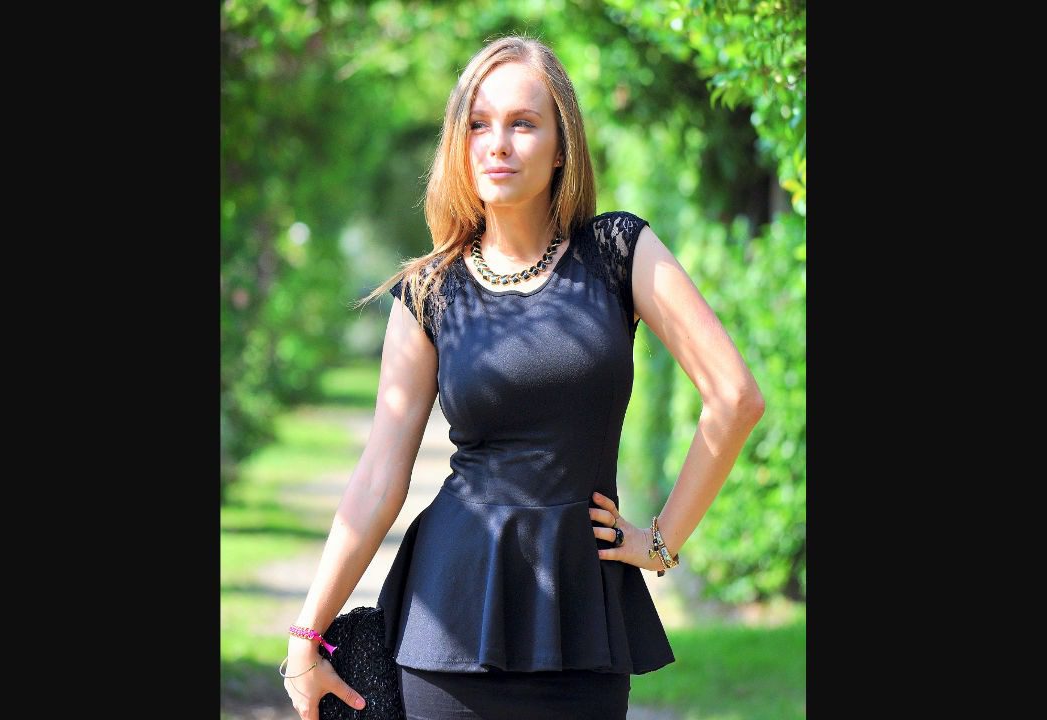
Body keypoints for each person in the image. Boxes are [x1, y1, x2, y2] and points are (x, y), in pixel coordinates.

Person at [282, 35, 764, 720]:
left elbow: (735, 396)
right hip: (450, 618)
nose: (497, 143)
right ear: (458, 143)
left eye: (523, 123)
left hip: (582, 617)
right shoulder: (431, 290)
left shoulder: (617, 252)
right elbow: (378, 479)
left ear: (562, 145)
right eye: (477, 124)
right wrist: (306, 634)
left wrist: (661, 542)